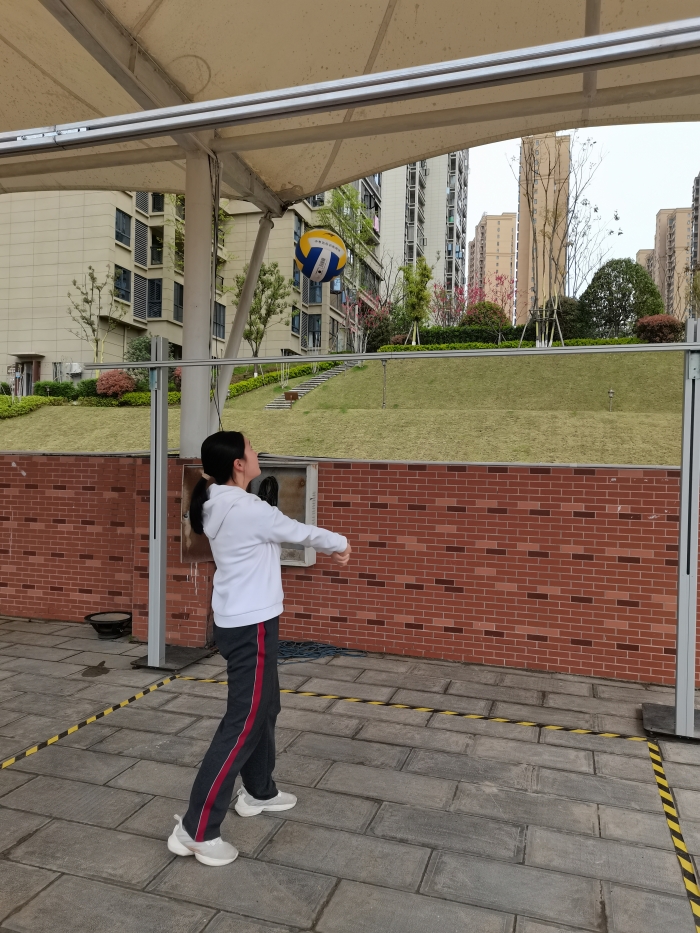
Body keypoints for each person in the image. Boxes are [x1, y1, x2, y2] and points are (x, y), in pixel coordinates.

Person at [167, 431, 350, 866]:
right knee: (243, 724)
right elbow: (299, 532)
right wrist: (341, 544)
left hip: (241, 621)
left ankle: (258, 792)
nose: (256, 453)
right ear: (237, 464)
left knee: (265, 707)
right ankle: (196, 830)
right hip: (251, 627)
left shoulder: (216, 502)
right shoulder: (248, 509)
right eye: (250, 449)